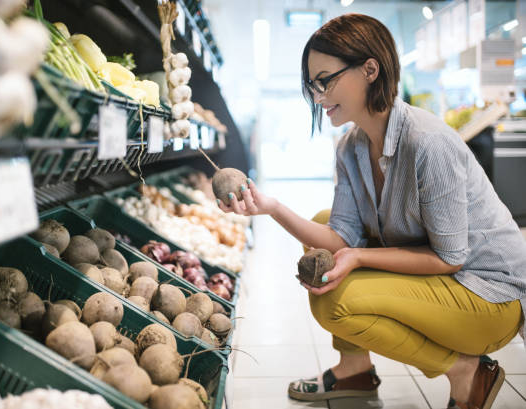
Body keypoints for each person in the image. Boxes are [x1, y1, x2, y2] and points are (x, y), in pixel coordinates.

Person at [216, 13, 526, 409]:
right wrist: (271, 207)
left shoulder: (427, 143)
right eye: (313, 84)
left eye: (325, 80)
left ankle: (464, 371)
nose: (317, 95)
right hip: (447, 279)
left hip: (487, 296)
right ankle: (355, 370)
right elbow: (341, 236)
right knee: (322, 224)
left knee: (337, 300)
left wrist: (358, 256)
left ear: (370, 70)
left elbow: (450, 258)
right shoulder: (350, 148)